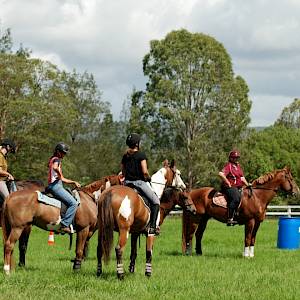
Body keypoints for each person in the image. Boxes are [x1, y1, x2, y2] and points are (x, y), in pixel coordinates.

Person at [121, 133, 160, 236]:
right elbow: (144, 171)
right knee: (156, 201)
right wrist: (148, 177)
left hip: (126, 183)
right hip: (139, 183)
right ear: (137, 144)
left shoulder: (125, 156)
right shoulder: (141, 155)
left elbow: (123, 172)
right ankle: (152, 227)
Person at [47, 142, 81, 234]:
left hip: (52, 185)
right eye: (63, 152)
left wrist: (73, 182)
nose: (64, 155)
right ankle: (64, 225)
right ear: (58, 152)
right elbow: (55, 168)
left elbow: (62, 179)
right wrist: (58, 172)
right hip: (55, 186)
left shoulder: (52, 159)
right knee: (73, 203)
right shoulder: (57, 160)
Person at [218, 150, 250, 226]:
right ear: (231, 158)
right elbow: (220, 174)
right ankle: (230, 218)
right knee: (236, 198)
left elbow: (242, 178)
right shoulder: (228, 166)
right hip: (229, 187)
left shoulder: (238, 166)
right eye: (234, 158)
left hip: (237, 187)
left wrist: (248, 185)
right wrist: (227, 182)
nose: (236, 159)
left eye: (237, 158)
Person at [0, 139, 16, 205]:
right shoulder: (0, 156)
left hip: (3, 179)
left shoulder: (4, 156)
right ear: (8, 147)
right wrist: (8, 174)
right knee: (9, 199)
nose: (10, 151)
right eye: (11, 149)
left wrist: (7, 176)